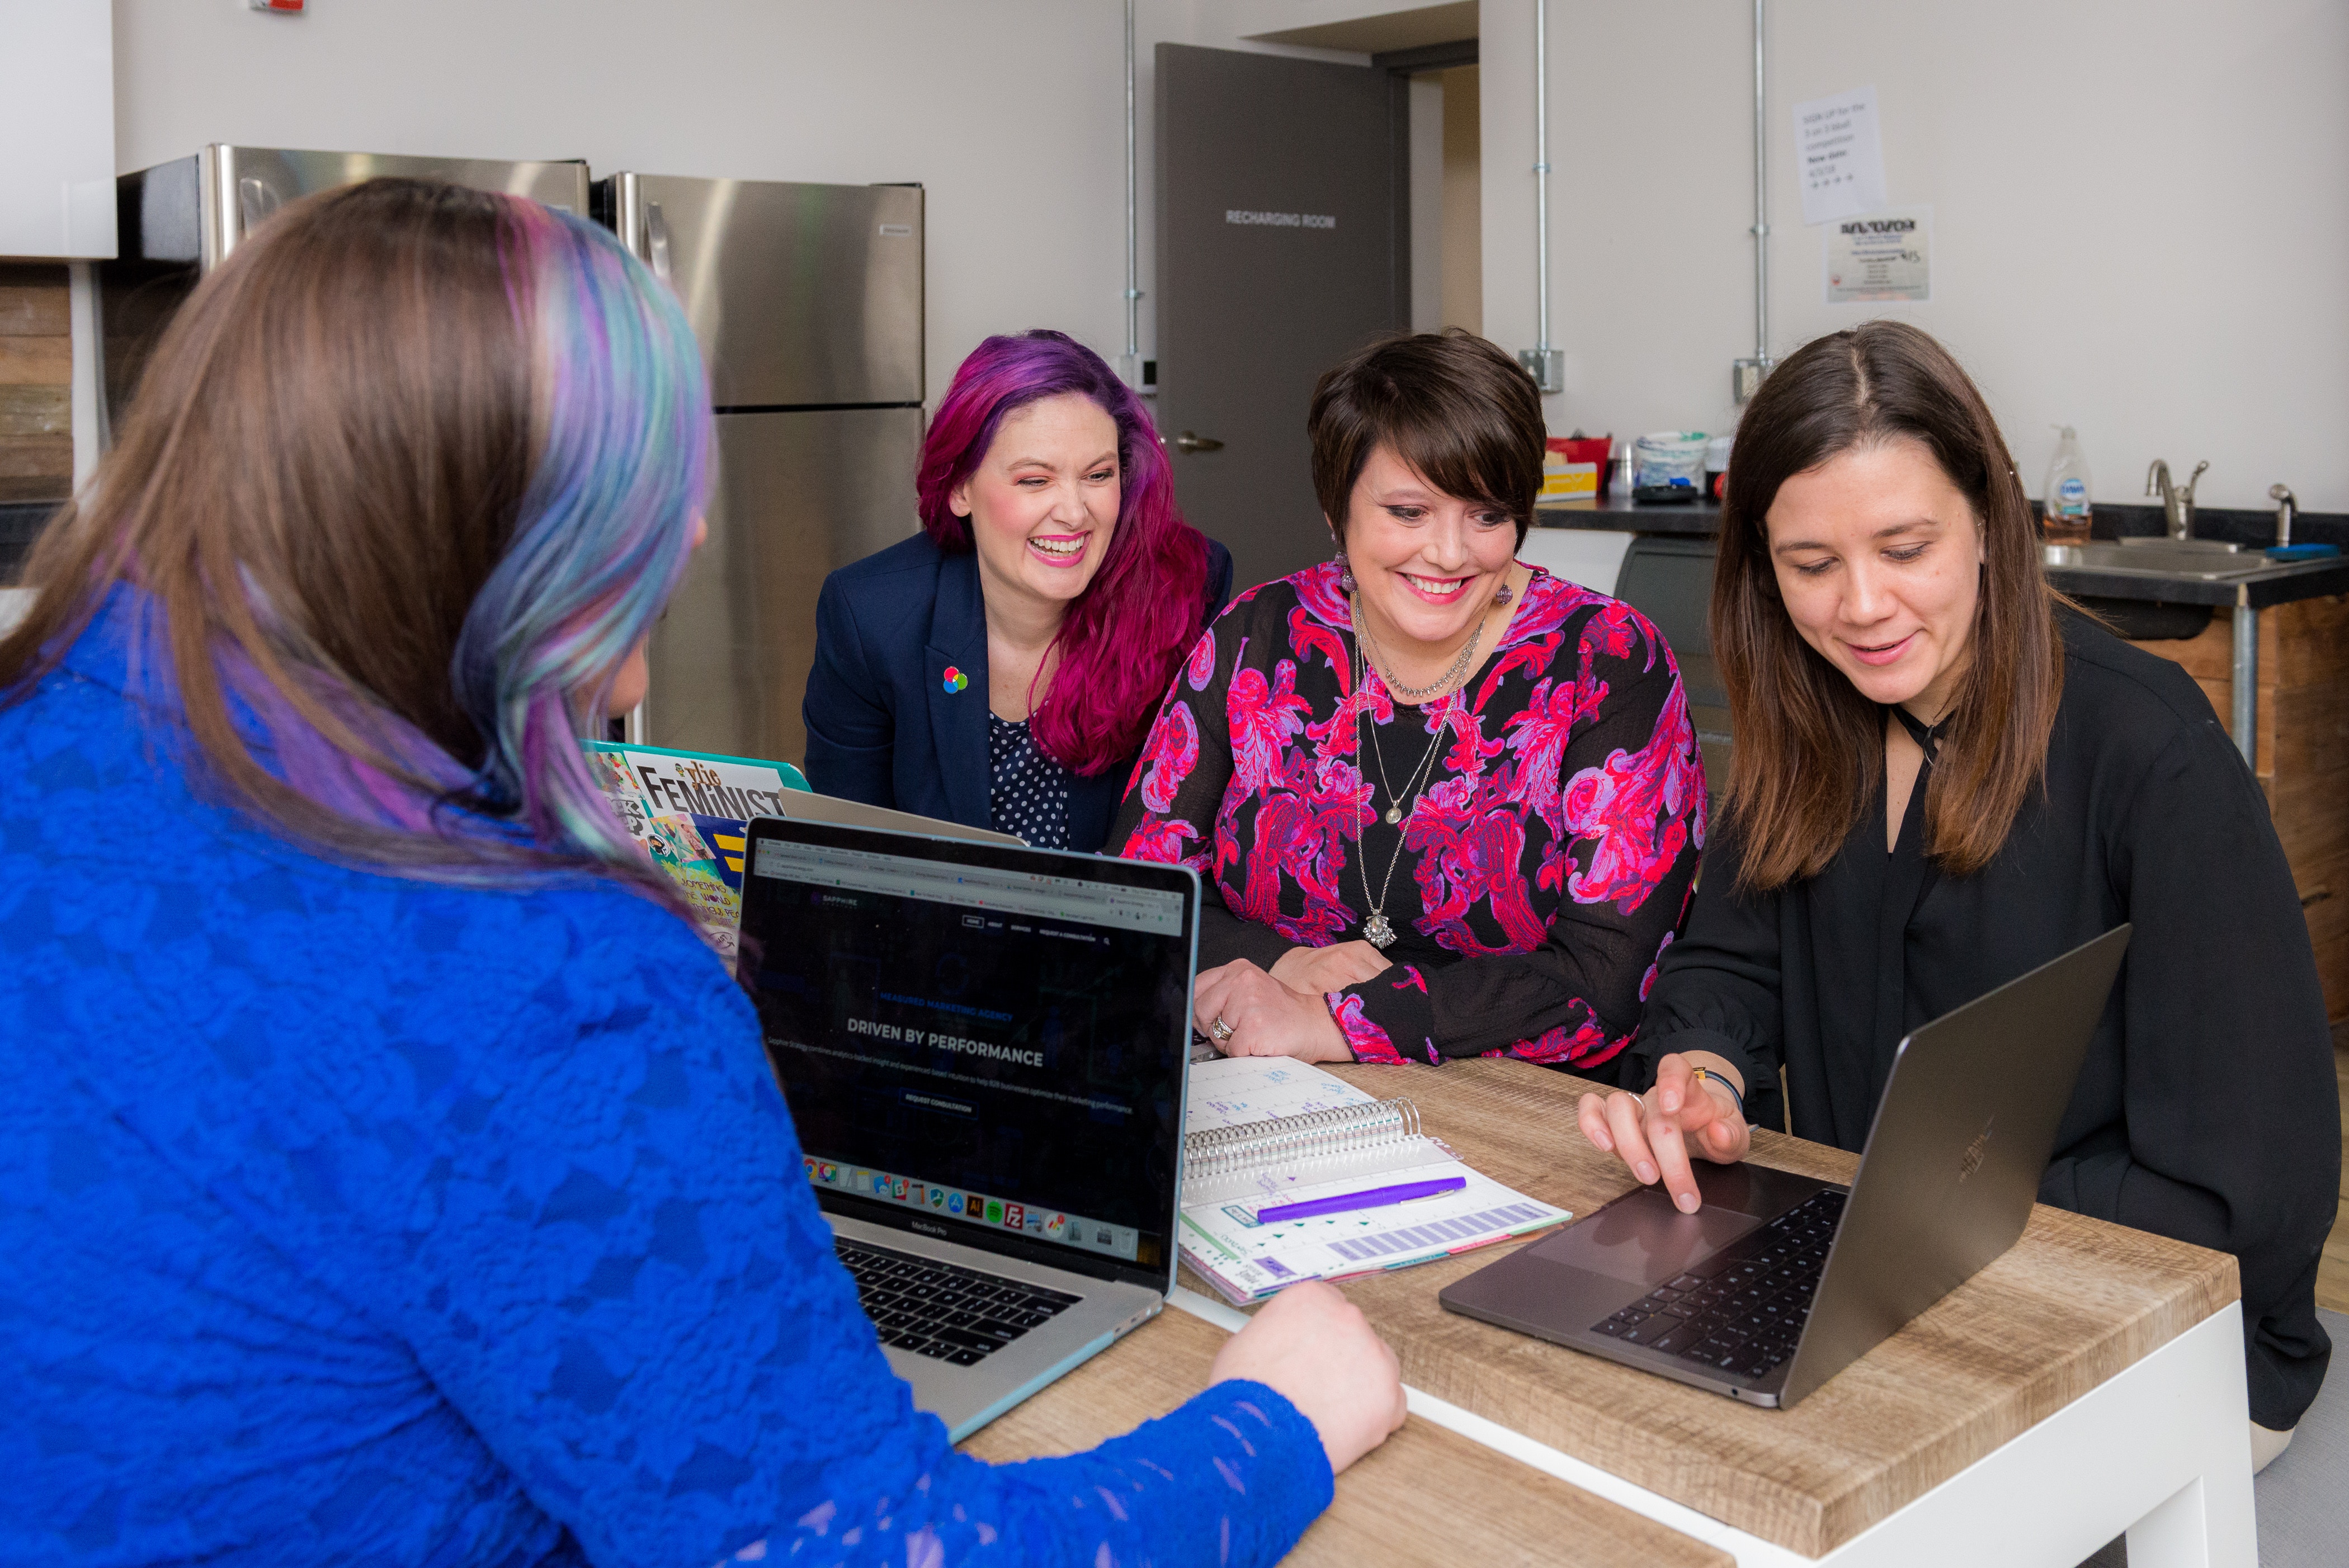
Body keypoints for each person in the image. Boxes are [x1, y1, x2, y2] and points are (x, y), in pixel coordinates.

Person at [0, 179, 1404, 1565]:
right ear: (518, 528)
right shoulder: (546, 974)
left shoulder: (44, 732)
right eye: (658, 486)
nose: (694, 536)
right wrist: (1271, 1416)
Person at [1574, 320, 2336, 1464]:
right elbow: (1726, 962)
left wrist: (1922, 1210)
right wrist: (1703, 1076)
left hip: (2160, 1322)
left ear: (1989, 522)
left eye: (1905, 547)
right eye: (1812, 566)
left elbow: (2248, 1203)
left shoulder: (2148, 754)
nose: (1863, 607)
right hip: (1876, 1282)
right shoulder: (1812, 723)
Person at [1111, 330, 1704, 1073]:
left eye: (1486, 515)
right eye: (1408, 512)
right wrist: (1285, 963)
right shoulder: (1257, 636)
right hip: (1271, 1083)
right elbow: (1141, 891)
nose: (1451, 554)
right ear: (1337, 511)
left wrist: (1342, 1024)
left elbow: (1606, 980)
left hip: (1521, 1111)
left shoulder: (1607, 661)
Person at [801, 331, 1234, 852]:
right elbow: (844, 853)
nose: (1075, 513)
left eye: (1098, 475)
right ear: (960, 488)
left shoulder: (1185, 584)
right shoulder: (869, 615)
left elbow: (1207, 836)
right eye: (1035, 481)